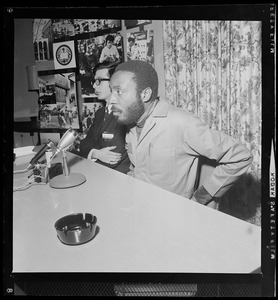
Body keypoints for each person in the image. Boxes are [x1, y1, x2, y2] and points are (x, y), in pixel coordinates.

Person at [109, 60, 253, 205]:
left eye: (119, 92)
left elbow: (240, 156)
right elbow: (138, 168)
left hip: (173, 217)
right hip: (141, 207)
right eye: (111, 91)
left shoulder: (182, 123)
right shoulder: (132, 123)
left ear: (145, 94)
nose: (110, 101)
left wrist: (201, 197)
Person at [78, 61, 130, 174]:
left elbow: (112, 159)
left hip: (118, 179)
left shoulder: (124, 113)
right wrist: (96, 153)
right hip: (100, 174)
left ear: (114, 82)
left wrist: (92, 151)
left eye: (99, 81)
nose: (93, 85)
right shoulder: (100, 113)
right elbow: (84, 144)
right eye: (94, 81)